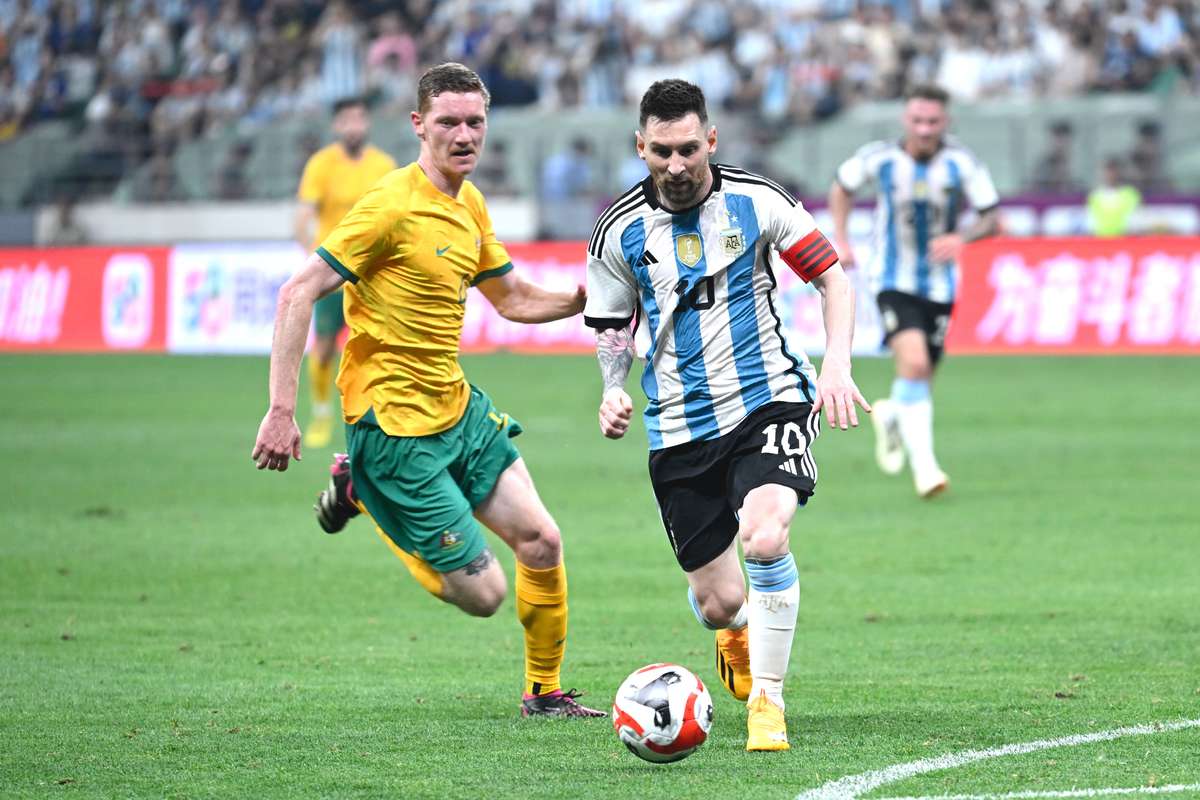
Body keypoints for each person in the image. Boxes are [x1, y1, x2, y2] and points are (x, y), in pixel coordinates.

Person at [251, 63, 603, 719]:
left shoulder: (468, 201)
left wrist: (581, 304)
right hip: (395, 432)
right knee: (485, 594)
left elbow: (512, 297)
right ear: (419, 125)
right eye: (448, 122)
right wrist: (281, 410)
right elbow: (297, 292)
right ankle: (362, 490)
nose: (464, 134)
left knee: (542, 543)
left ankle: (544, 692)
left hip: (456, 409)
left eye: (475, 122)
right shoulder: (388, 207)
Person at [585, 79, 869, 752]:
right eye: (661, 152)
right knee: (717, 601)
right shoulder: (618, 229)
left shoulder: (758, 200)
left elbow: (832, 277)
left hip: (768, 398)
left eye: (689, 148)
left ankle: (767, 702)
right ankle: (735, 635)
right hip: (679, 426)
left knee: (766, 537)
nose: (676, 165)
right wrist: (611, 386)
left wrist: (836, 365)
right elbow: (609, 324)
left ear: (711, 139)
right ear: (641, 146)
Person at [828, 84, 999, 499]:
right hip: (891, 280)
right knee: (917, 363)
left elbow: (991, 216)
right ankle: (926, 470)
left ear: (946, 122)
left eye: (933, 122)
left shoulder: (962, 162)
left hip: (940, 285)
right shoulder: (880, 156)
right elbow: (842, 187)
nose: (924, 130)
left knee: (921, 378)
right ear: (906, 119)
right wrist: (842, 238)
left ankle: (890, 416)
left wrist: (963, 237)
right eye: (917, 121)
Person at [295, 96, 397, 449]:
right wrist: (314, 261)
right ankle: (321, 412)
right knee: (323, 347)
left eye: (359, 118)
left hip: (372, 276)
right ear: (337, 126)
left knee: (379, 349)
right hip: (334, 271)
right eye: (347, 120)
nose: (354, 126)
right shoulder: (321, 165)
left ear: (366, 123)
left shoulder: (384, 166)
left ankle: (380, 414)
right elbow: (303, 218)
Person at [1087, 157, 1141, 237]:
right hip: (1101, 241)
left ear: (1119, 172)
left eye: (1113, 171)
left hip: (1125, 240)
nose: (1111, 175)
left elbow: (1136, 220)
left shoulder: (1131, 194)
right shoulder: (1095, 196)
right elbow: (1091, 222)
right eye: (1108, 171)